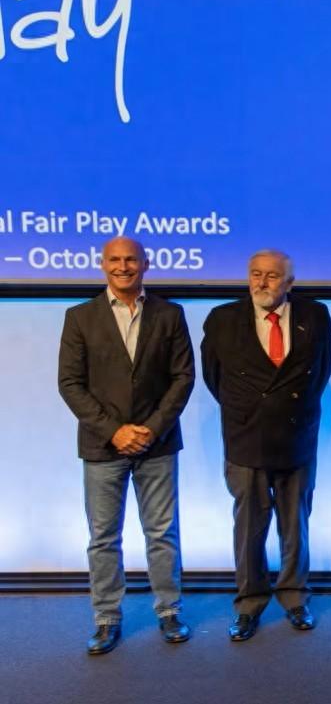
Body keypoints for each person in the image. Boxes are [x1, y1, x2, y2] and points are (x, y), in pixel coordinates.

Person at [58, 236, 195, 655]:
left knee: (162, 533)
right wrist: (114, 431)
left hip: (158, 444)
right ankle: (106, 619)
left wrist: (151, 429)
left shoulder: (170, 314)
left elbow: (183, 378)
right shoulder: (80, 317)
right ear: (102, 265)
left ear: (145, 264)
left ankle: (169, 611)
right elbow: (70, 384)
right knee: (103, 537)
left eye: (131, 259)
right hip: (102, 447)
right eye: (114, 260)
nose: (123, 267)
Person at [201, 249, 331, 642]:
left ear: (289, 283)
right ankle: (248, 604)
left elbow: (321, 371)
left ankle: (295, 597)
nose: (262, 282)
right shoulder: (223, 319)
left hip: (296, 434)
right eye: (255, 274)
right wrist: (249, 410)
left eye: (272, 276)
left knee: (295, 524)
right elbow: (214, 377)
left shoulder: (316, 315)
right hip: (246, 436)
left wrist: (289, 408)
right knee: (249, 527)